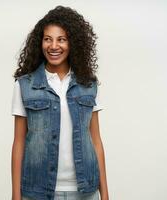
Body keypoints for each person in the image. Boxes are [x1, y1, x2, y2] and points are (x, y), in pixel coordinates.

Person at [11, 5, 109, 200]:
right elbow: (19, 142)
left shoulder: (88, 85)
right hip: (37, 191)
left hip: (85, 190)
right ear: (40, 43)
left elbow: (95, 140)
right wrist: (16, 195)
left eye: (61, 39)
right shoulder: (25, 85)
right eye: (48, 39)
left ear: (72, 43)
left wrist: (104, 193)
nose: (53, 46)